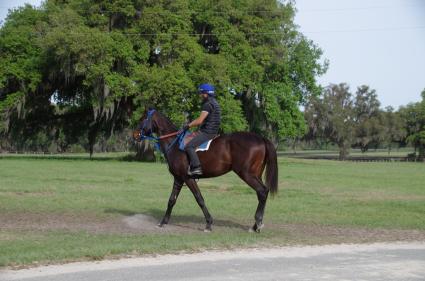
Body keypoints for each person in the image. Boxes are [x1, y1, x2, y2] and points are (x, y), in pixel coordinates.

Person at [183, 83, 221, 176]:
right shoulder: (215, 103)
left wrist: (188, 125)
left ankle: (196, 168)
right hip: (214, 131)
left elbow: (199, 120)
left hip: (208, 132)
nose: (200, 95)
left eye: (200, 93)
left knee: (189, 146)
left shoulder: (207, 104)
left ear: (205, 93)